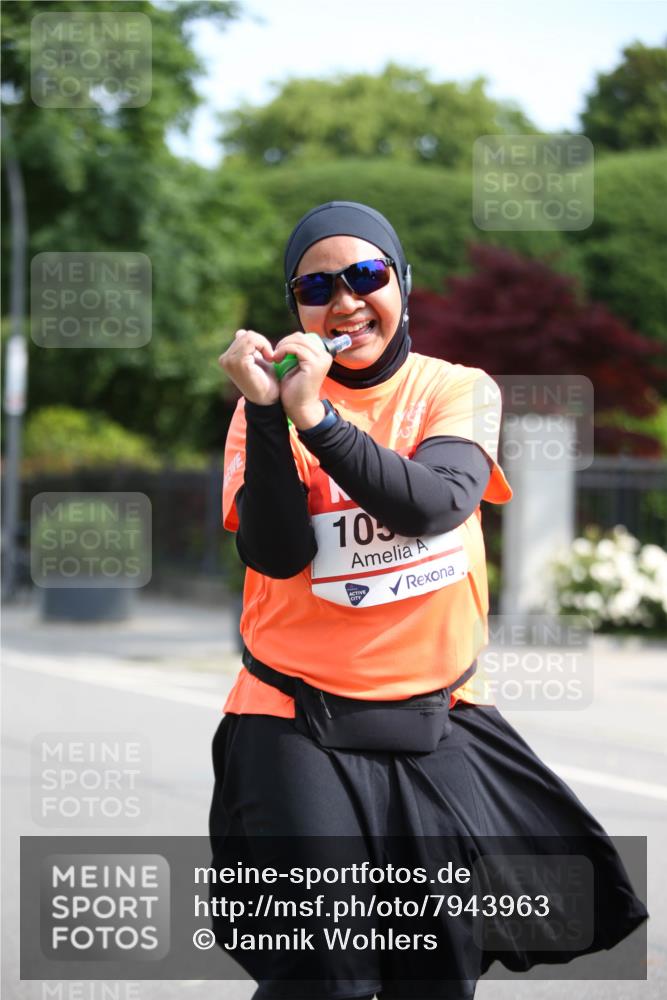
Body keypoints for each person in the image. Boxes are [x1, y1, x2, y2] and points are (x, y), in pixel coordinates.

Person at [209, 201, 648, 1000]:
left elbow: (434, 504)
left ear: (402, 285)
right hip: (290, 716)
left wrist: (317, 416)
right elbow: (275, 551)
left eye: (365, 275)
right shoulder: (258, 407)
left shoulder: (455, 389)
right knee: (322, 974)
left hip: (435, 715)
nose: (343, 300)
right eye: (316, 285)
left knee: (434, 975)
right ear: (296, 309)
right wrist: (276, 417)